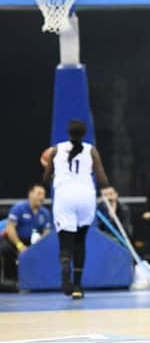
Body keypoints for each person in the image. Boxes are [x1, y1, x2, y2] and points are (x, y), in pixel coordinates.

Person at [42, 120, 110, 299]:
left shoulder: (56, 149)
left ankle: (66, 269)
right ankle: (78, 286)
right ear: (84, 133)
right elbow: (103, 180)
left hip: (65, 194)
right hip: (86, 195)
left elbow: (45, 178)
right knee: (80, 240)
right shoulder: (91, 150)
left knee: (66, 242)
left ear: (68, 132)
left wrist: (51, 170)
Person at [0, 183, 51, 287]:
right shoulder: (19, 208)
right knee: (5, 248)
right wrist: (19, 245)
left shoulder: (45, 213)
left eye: (43, 195)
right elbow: (10, 228)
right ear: (30, 194)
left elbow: (47, 232)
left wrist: (38, 245)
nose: (42, 197)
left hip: (32, 242)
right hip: (15, 240)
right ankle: (10, 279)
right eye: (39, 194)